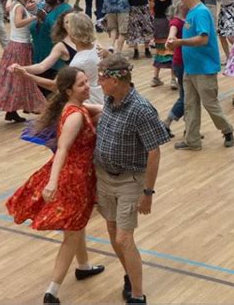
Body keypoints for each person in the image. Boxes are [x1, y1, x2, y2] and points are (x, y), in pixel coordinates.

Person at [6, 67, 105, 305]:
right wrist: (52, 183)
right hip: (74, 179)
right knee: (71, 234)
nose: (87, 86)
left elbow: (102, 108)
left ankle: (83, 266)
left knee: (76, 224)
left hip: (79, 176)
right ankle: (52, 292)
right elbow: (62, 148)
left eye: (86, 82)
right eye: (81, 84)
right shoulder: (74, 116)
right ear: (69, 90)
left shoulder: (77, 107)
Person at [94, 53, 169, 304]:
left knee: (124, 238)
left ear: (116, 80)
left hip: (130, 180)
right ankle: (129, 274)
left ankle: (138, 296)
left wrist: (147, 193)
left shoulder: (141, 109)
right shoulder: (109, 98)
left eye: (102, 78)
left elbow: (154, 151)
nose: (99, 82)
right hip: (104, 177)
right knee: (112, 230)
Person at [166, 0, 234, 150]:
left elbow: (203, 39)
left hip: (204, 69)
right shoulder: (190, 12)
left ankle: (227, 131)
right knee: (190, 105)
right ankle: (192, 140)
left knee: (210, 104)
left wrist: (180, 42)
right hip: (190, 68)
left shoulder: (201, 12)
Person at [0, 0, 46, 123]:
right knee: (17, 78)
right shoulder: (18, 7)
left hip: (19, 45)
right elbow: (17, 23)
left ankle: (14, 110)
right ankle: (18, 109)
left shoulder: (19, 5)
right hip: (19, 46)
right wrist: (35, 17)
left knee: (15, 79)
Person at [12, 12, 104, 105]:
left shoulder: (78, 63)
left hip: (91, 103)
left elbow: (54, 86)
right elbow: (41, 66)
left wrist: (26, 75)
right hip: (101, 99)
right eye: (66, 22)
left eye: (70, 23)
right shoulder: (98, 48)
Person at [30, 0, 72, 94]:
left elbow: (65, 32)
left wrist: (46, 20)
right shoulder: (43, 6)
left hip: (55, 62)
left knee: (53, 97)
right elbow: (34, 28)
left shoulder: (66, 10)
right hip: (39, 58)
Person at [143, 0, 174, 87]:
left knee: (160, 50)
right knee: (171, 49)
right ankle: (173, 79)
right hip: (166, 22)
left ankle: (155, 77)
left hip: (156, 22)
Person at [163, 0, 188, 136]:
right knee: (186, 97)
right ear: (180, 4)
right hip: (181, 63)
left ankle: (189, 127)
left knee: (188, 96)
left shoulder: (186, 19)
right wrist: (171, 39)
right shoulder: (176, 22)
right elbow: (171, 35)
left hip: (184, 62)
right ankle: (166, 123)